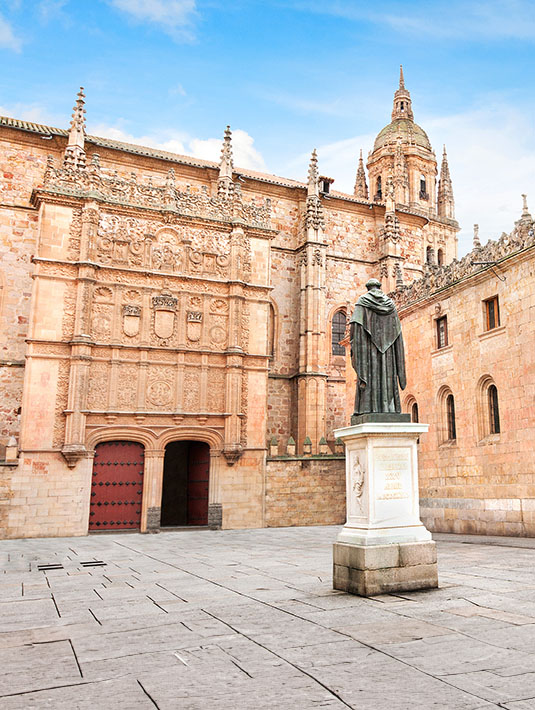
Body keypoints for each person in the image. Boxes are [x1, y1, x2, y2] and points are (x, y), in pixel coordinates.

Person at [350, 278, 406, 415]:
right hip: (388, 354)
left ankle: (368, 408)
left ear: (368, 288)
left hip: (368, 351)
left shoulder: (362, 302)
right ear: (379, 287)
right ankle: (389, 408)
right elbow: (397, 330)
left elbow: (355, 328)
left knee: (371, 376)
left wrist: (355, 346)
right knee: (386, 375)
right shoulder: (391, 305)